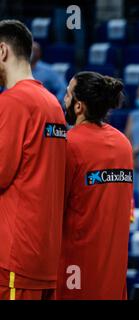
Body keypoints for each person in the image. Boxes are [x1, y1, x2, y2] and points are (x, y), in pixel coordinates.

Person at [0, 20, 66, 300]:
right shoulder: (53, 104)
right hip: (44, 252)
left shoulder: (12, 102)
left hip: (14, 252)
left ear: (2, 51)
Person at [56, 72, 133, 299]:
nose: (64, 100)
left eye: (68, 94)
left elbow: (54, 206)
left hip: (75, 265)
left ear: (78, 106)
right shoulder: (123, 144)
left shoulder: (69, 144)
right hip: (114, 268)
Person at [31, 41, 67, 107]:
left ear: (39, 53)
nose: (31, 53)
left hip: (41, 106)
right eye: (29, 50)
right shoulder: (17, 69)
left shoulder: (48, 70)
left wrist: (55, 102)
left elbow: (63, 87)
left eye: (34, 50)